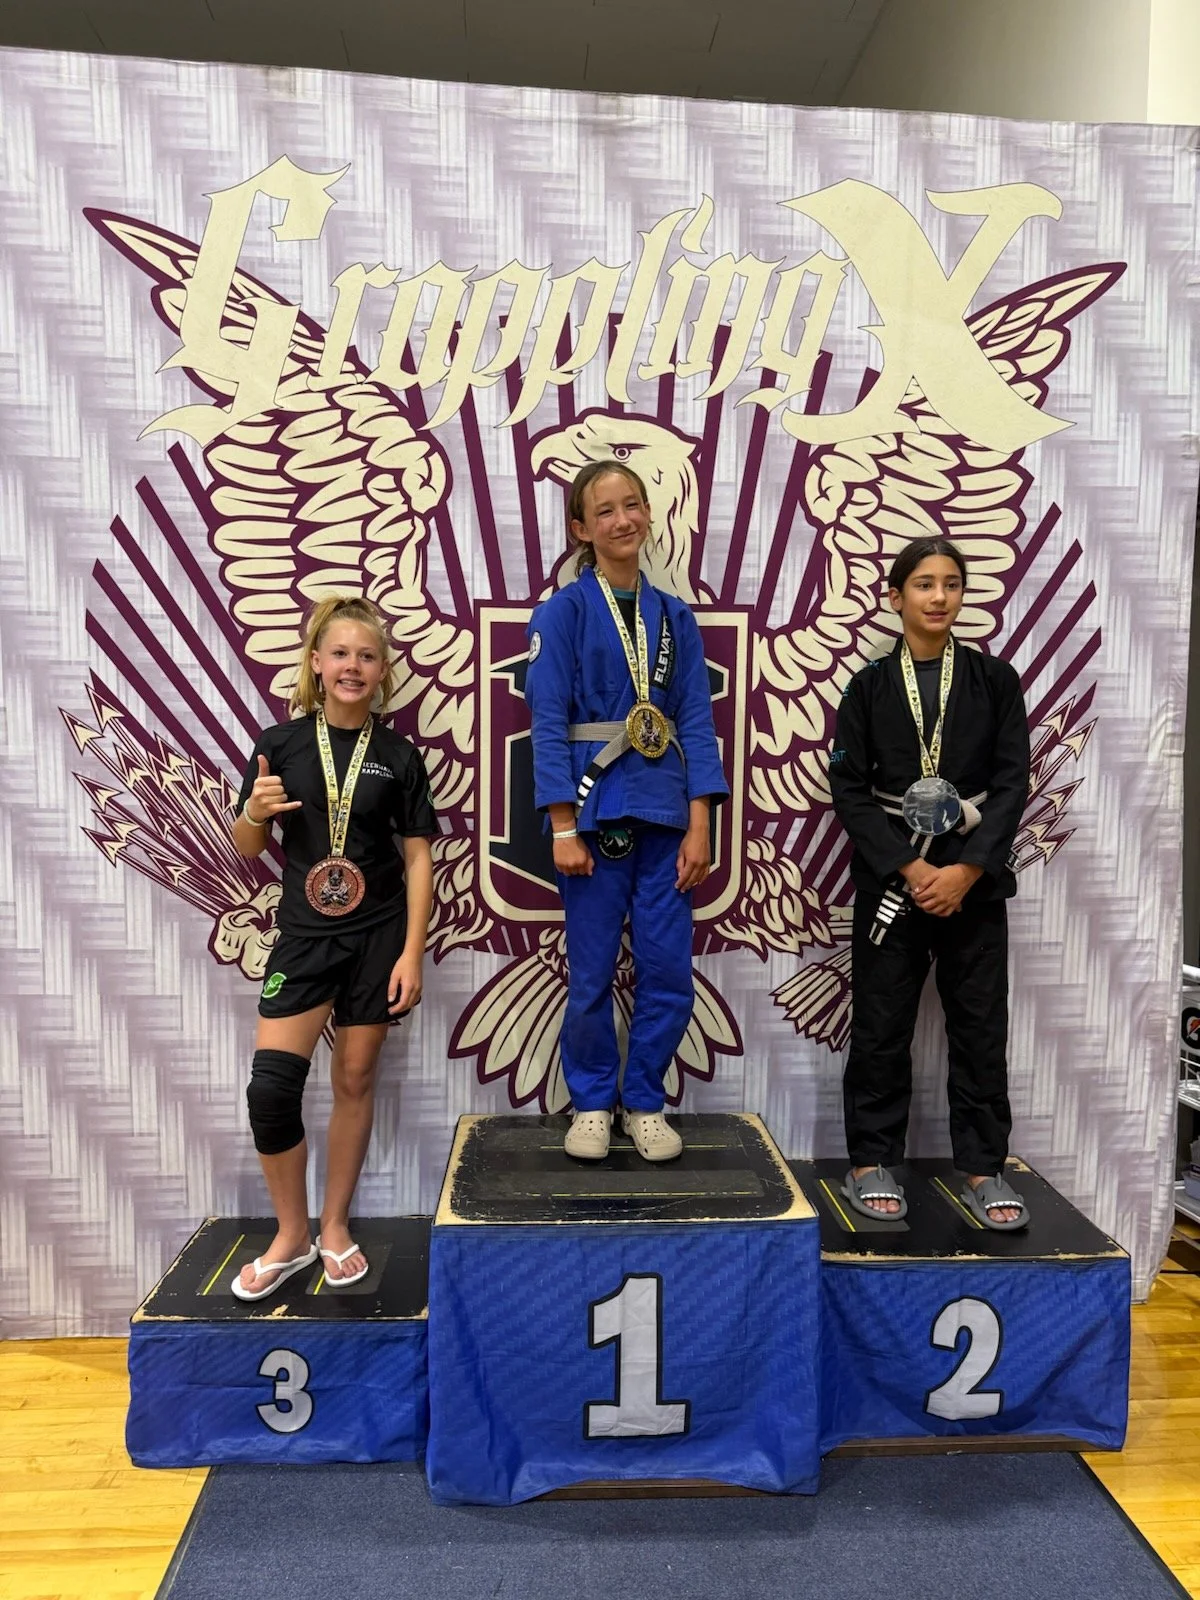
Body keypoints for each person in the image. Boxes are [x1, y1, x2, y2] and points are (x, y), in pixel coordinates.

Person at [229, 595, 436, 1298]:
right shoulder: (278, 744)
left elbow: (416, 860)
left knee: (353, 1080)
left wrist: (411, 952)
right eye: (340, 653)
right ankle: (290, 1235)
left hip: (377, 940)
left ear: (382, 673)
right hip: (304, 939)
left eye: (367, 656)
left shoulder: (399, 757)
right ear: (315, 663)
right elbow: (250, 843)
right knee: (271, 1091)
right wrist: (251, 816)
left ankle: (336, 1225)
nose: (353, 666)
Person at [525, 460, 728, 1162]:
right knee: (590, 971)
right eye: (604, 511)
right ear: (581, 529)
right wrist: (560, 824)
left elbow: (696, 721)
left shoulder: (674, 617)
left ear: (649, 514)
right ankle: (589, 1101)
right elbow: (548, 721)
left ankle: (644, 1100)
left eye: (633, 504)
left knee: (668, 968)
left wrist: (701, 820)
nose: (623, 520)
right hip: (594, 811)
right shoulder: (564, 613)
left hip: (666, 814)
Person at [829, 536, 1031, 1230]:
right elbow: (851, 792)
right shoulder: (868, 687)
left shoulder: (994, 680)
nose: (939, 596)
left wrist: (968, 869)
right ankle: (871, 1159)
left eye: (951, 583)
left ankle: (982, 1167)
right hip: (897, 878)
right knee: (882, 1022)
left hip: (972, 881)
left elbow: (1011, 783)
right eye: (923, 584)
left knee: (979, 1026)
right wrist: (913, 869)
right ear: (896, 597)